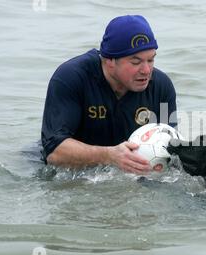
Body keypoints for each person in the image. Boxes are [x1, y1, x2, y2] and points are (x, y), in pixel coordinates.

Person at [41, 15, 177, 174]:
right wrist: (109, 155)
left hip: (124, 170)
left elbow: (172, 150)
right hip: (69, 171)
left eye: (151, 60)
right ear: (109, 61)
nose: (146, 71)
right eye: (136, 62)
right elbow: (54, 153)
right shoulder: (71, 77)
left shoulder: (162, 87)